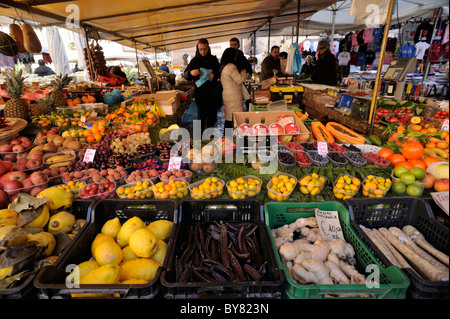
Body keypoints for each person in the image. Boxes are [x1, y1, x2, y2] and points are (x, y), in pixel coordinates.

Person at [184, 38, 221, 132]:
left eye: (205, 49)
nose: (203, 51)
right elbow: (185, 75)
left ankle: (210, 137)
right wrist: (191, 73)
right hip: (201, 95)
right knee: (201, 116)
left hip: (213, 93)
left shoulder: (213, 59)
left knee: (212, 116)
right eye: (200, 49)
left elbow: (220, 71)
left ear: (208, 48)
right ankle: (200, 140)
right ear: (198, 48)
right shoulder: (194, 60)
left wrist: (215, 74)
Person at [220, 48, 248, 130]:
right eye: (235, 56)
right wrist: (243, 72)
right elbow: (239, 79)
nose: (236, 58)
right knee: (233, 119)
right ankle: (230, 138)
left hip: (229, 95)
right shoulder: (231, 67)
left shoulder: (224, 67)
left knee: (229, 117)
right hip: (233, 97)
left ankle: (227, 138)